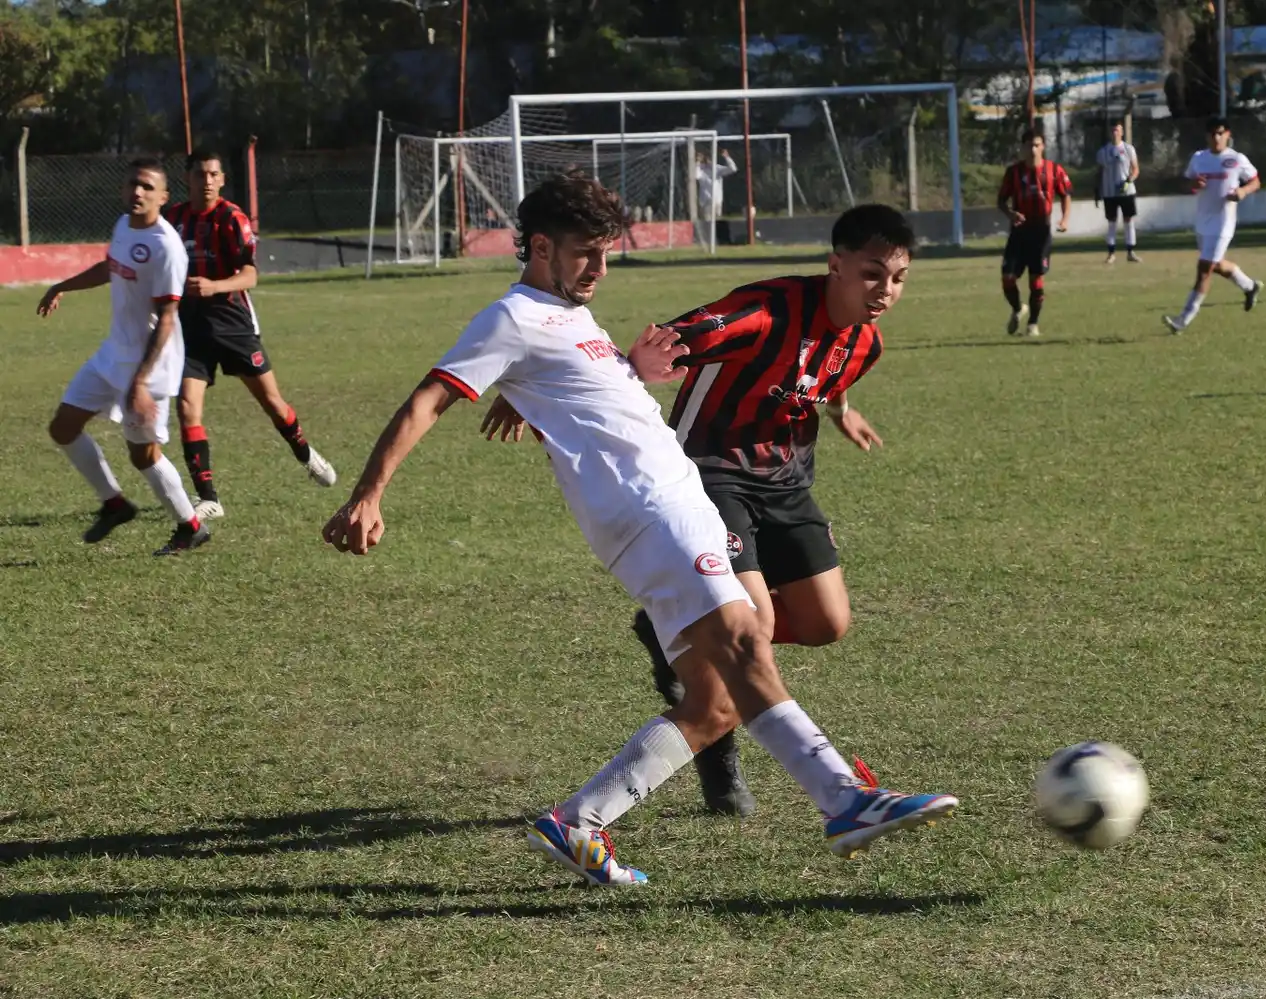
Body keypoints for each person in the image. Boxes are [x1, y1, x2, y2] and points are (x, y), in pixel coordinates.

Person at [322, 172, 957, 886]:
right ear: (538, 248)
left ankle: (577, 821)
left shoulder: (571, 316)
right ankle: (845, 799)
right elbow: (427, 400)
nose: (599, 268)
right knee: (749, 636)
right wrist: (369, 494)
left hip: (675, 504)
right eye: (584, 252)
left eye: (606, 252)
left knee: (716, 701)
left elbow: (582, 400)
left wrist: (585, 384)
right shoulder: (512, 317)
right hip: (650, 512)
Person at [484, 204, 910, 818]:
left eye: (897, 278)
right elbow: (658, 346)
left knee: (826, 623)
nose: (885, 290)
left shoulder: (866, 342)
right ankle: (715, 655)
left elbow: (828, 371)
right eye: (872, 274)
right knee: (751, 628)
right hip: (709, 476)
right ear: (836, 266)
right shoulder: (762, 311)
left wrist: (842, 413)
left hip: (785, 484)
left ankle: (682, 633)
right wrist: (543, 397)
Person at [36, 157, 210, 556]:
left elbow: (167, 318)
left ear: (163, 197)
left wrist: (140, 384)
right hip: (113, 354)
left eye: (148, 187)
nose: (138, 192)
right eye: (133, 184)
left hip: (151, 365)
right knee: (63, 427)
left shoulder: (166, 247)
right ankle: (114, 504)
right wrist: (62, 285)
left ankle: (191, 526)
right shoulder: (121, 225)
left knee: (144, 456)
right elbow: (110, 268)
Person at [163, 149, 336, 520]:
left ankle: (306, 455)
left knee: (272, 403)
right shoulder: (173, 219)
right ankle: (208, 497)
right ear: (188, 179)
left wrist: (215, 286)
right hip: (190, 327)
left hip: (232, 323)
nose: (206, 181)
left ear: (222, 179)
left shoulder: (231, 219)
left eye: (212, 174)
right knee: (187, 408)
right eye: (199, 174)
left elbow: (250, 275)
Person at [1162, 117, 1264, 334]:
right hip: (1203, 221)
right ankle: (1250, 286)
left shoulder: (1236, 159)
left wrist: (1243, 191)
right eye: (1212, 134)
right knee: (1214, 264)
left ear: (1228, 135)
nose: (1216, 138)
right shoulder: (1199, 158)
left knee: (1204, 270)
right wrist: (1192, 184)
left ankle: (1183, 320)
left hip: (1224, 223)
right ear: (1207, 136)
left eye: (1221, 133)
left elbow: (1255, 181)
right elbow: (1185, 182)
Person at [998, 129, 1071, 338]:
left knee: (1036, 280)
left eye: (1037, 145)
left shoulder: (1054, 170)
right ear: (1022, 148)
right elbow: (1001, 201)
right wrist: (1010, 214)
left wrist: (1064, 219)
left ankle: (1033, 324)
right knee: (1007, 278)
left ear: (1043, 147)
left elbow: (1065, 194)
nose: (1033, 149)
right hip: (1019, 232)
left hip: (1041, 232)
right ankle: (1018, 308)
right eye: (1029, 145)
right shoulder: (1013, 173)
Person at [1095, 121, 1141, 263]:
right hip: (1109, 193)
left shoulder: (1128, 149)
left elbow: (1135, 169)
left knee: (1128, 220)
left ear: (1122, 132)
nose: (1115, 133)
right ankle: (1111, 253)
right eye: (1113, 130)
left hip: (1126, 192)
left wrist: (1128, 181)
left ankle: (1130, 251)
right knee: (1112, 222)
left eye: (1118, 130)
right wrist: (1097, 191)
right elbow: (1099, 172)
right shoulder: (1103, 152)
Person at [695, 148, 737, 245]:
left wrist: (727, 157)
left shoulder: (717, 169)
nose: (708, 161)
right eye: (705, 159)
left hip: (717, 200)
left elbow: (733, 169)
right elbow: (695, 176)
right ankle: (708, 242)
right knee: (707, 222)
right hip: (706, 201)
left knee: (717, 222)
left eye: (709, 159)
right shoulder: (701, 169)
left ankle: (719, 241)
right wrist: (697, 162)